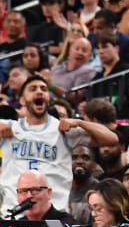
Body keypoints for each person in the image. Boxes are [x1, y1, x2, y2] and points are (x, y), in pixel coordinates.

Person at [0, 76, 118, 216]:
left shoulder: (62, 129)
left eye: (43, 89)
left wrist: (80, 123)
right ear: (22, 100)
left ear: (48, 98)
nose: (39, 92)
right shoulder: (9, 128)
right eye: (33, 89)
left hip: (54, 215)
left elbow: (112, 138)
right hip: (13, 214)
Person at [69, 145, 98, 225]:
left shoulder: (101, 190)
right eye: (74, 158)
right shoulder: (60, 188)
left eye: (85, 158)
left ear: (94, 164)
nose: (79, 161)